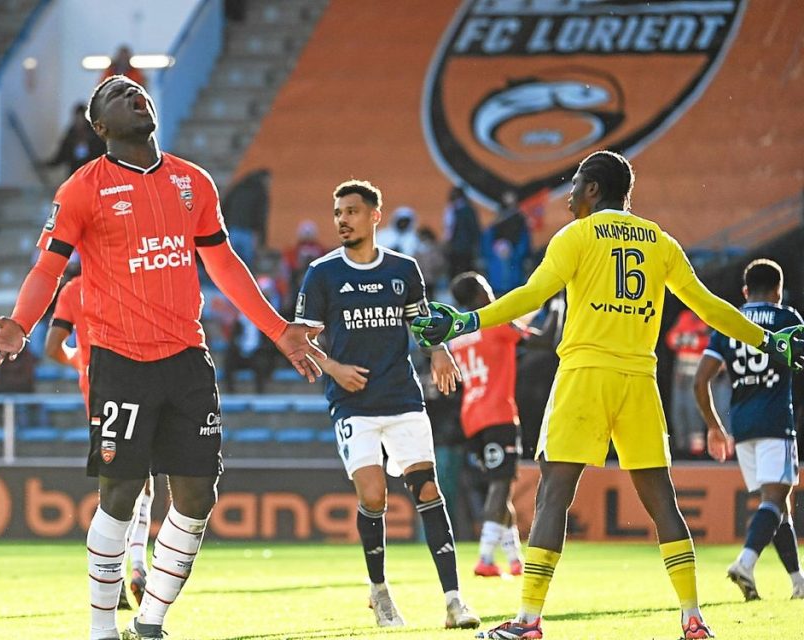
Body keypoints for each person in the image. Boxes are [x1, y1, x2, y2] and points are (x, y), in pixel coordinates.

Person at [0, 74, 325, 640]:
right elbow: (48, 267)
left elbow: (224, 264)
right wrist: (21, 323)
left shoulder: (193, 182)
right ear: (100, 125)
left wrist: (278, 328)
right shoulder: (81, 190)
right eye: (117, 96)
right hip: (119, 360)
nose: (135, 96)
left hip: (188, 358)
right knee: (118, 492)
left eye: (137, 91)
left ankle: (151, 621)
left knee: (197, 495)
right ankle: (100, 629)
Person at [410, 150, 804, 640]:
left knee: (554, 493)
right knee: (664, 502)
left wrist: (466, 319)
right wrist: (769, 339)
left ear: (594, 189)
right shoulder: (659, 241)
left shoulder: (576, 236)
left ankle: (529, 621)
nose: (569, 194)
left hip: (584, 376)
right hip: (640, 381)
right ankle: (693, 618)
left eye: (575, 184)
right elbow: (708, 306)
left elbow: (532, 296)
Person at [294, 179, 480, 630]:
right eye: (338, 212)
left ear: (375, 216)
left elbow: (422, 322)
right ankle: (379, 592)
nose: (342, 219)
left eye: (352, 211)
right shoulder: (322, 273)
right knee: (373, 494)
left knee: (428, 492)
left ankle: (455, 601)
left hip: (402, 398)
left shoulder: (403, 269)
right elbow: (300, 340)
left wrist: (439, 350)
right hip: (352, 403)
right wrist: (334, 369)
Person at [693, 258, 804, 601]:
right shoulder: (787, 318)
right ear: (778, 290)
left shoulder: (729, 322)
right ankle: (745, 562)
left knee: (776, 507)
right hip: (775, 420)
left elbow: (700, 381)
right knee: (775, 500)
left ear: (745, 291)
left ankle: (799, 582)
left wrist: (714, 426)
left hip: (741, 426)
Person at [45, 270, 155, 609]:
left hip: (97, 394)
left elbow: (52, 347)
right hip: (139, 384)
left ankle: (114, 577)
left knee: (115, 488)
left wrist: (80, 359)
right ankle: (137, 566)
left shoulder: (73, 290)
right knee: (143, 485)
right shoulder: (133, 280)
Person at [446, 272, 526, 578]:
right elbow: (538, 339)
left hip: (472, 417)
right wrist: (558, 308)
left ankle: (515, 559)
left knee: (500, 488)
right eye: (486, 287)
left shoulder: (459, 335)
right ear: (480, 295)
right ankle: (485, 558)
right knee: (500, 484)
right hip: (498, 413)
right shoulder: (495, 323)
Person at [665, 309, 711, 456]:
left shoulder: (707, 319)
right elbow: (671, 339)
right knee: (678, 410)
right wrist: (693, 339)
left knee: (694, 410)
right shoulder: (683, 316)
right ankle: (680, 446)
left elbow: (707, 342)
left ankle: (696, 450)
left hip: (696, 375)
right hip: (680, 375)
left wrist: (685, 339)